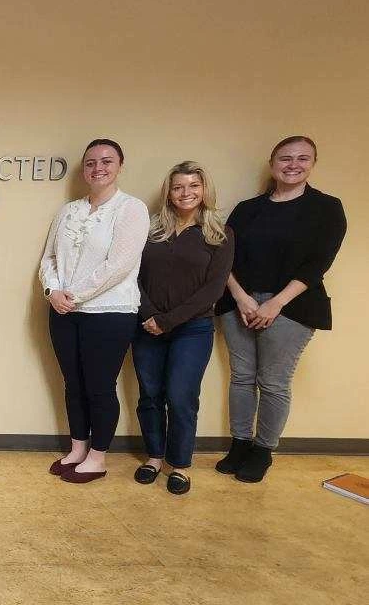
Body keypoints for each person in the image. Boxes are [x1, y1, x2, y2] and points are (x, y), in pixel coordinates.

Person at [214, 136, 346, 483]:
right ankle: (240, 444)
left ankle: (263, 450)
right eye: (285, 158)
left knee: (272, 381)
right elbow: (224, 257)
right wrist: (242, 298)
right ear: (272, 164)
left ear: (313, 164)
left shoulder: (327, 208)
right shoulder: (248, 209)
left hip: (292, 307)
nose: (293, 164)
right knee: (241, 378)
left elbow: (319, 263)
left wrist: (275, 303)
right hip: (239, 303)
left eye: (303, 158)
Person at [40, 139, 150, 483]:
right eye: (90, 162)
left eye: (106, 161)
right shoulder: (68, 211)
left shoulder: (131, 209)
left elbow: (119, 264)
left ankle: (98, 457)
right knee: (73, 384)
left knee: (100, 386)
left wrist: (74, 295)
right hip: (63, 311)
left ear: (119, 165)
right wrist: (52, 291)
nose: (98, 168)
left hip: (109, 312)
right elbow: (50, 259)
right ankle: (78, 448)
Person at [132, 162, 234, 495]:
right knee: (150, 395)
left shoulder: (219, 234)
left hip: (193, 328)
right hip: (146, 324)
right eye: (178, 187)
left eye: (193, 186)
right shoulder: (151, 229)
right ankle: (154, 457)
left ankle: (180, 465)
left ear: (204, 190)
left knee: (180, 397)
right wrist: (150, 314)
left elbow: (213, 289)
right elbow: (132, 274)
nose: (185, 193)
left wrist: (167, 320)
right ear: (169, 192)